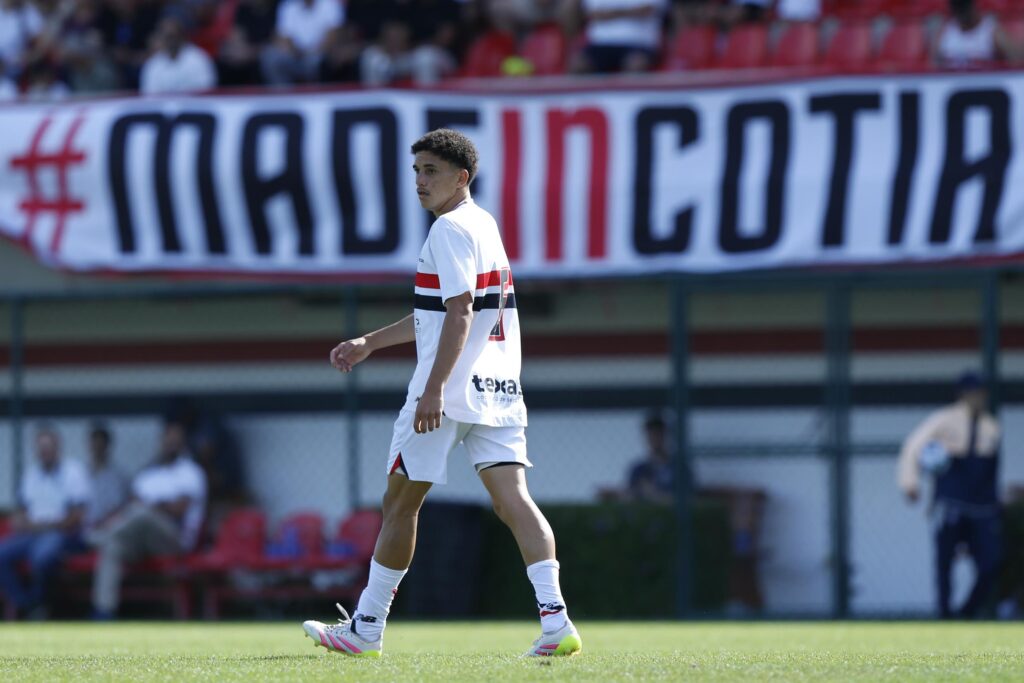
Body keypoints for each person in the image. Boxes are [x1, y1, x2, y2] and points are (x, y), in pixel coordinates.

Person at [302, 129, 582, 658]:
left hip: (447, 392)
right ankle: (556, 622)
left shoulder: (448, 229)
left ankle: (366, 629)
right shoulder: (484, 224)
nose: (420, 181)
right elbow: (437, 311)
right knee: (514, 501)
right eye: (416, 171)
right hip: (499, 387)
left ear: (462, 177)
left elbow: (460, 312)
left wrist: (434, 390)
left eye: (431, 171)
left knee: (400, 504)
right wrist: (370, 342)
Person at [898, 371, 1002, 619]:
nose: (978, 398)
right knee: (944, 562)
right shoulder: (942, 421)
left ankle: (967, 612)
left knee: (990, 562)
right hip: (950, 503)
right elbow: (913, 448)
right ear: (962, 395)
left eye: (981, 393)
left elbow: (993, 470)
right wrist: (910, 481)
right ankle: (945, 614)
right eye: (973, 393)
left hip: (982, 507)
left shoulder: (991, 427)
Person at [90, 420, 206, 620]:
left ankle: (98, 537)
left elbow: (178, 510)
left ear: (183, 443)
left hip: (174, 540)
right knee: (113, 547)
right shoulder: (148, 474)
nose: (170, 444)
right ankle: (104, 612)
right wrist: (158, 504)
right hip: (142, 540)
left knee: (142, 513)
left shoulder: (191, 472)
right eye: (167, 439)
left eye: (175, 440)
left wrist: (151, 506)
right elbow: (131, 505)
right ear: (161, 441)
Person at [0, 426, 90, 618]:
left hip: (64, 534)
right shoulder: (31, 474)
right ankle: (26, 604)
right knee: (2, 553)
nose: (45, 451)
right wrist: (20, 521)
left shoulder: (73, 471)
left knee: (42, 556)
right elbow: (22, 510)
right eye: (41, 448)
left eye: (49, 447)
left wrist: (46, 526)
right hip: (32, 533)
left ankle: (40, 604)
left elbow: (77, 515)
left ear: (58, 447)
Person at [260, 0, 344, 86]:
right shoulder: (288, 6)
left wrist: (312, 52)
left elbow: (332, 36)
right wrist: (296, 51)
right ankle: (282, 92)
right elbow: (284, 37)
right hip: (295, 54)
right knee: (270, 56)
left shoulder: (330, 4)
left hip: (320, 53)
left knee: (318, 61)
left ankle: (317, 91)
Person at [573, 0, 667, 74]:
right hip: (600, 43)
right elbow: (593, 14)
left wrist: (611, 13)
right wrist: (631, 12)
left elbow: (647, 10)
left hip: (640, 43)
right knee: (579, 64)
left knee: (636, 64)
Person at [139, 14, 217, 94]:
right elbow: (149, 94)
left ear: (182, 36)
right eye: (167, 37)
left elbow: (206, 89)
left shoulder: (199, 59)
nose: (171, 41)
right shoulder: (153, 64)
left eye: (174, 36)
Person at [934, 0, 1018, 69]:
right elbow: (934, 66)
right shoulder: (945, 32)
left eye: (964, 7)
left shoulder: (991, 30)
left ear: (973, 5)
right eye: (957, 7)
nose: (962, 12)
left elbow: (1015, 59)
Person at [83, 424, 128, 533]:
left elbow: (122, 507)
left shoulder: (119, 476)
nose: (98, 447)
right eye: (95, 443)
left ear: (107, 445)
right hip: (84, 529)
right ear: (89, 445)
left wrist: (105, 522)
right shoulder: (80, 474)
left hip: (112, 529)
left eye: (101, 443)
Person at [626, 412, 676, 504]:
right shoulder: (639, 470)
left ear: (665, 435)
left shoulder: (679, 469)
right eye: (651, 434)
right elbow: (628, 498)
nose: (655, 438)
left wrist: (654, 494)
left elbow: (688, 500)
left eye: (658, 433)